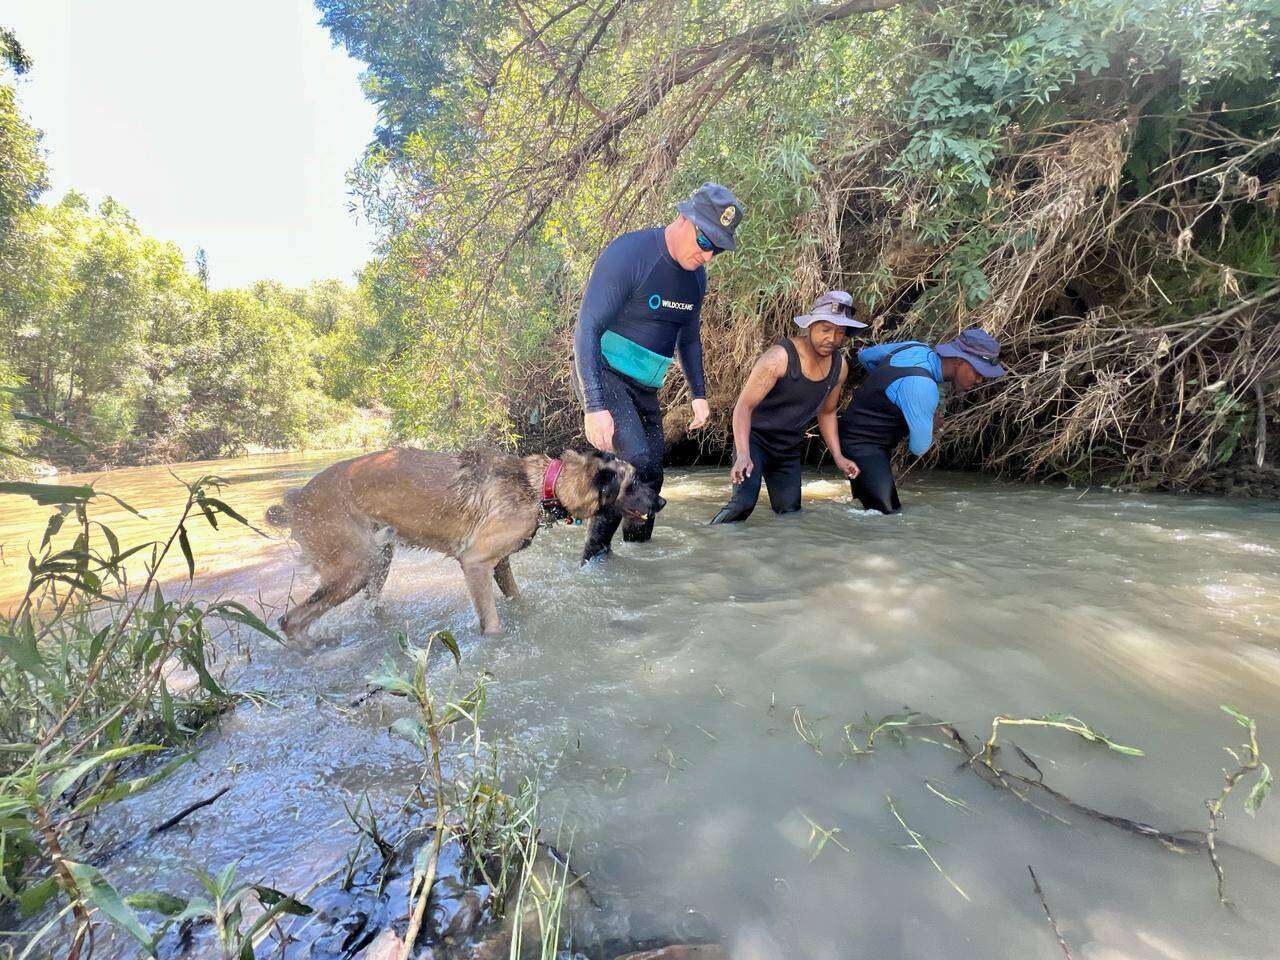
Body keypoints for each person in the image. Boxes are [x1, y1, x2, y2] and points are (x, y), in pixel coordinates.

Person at [573, 182, 743, 561]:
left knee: (654, 476)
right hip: (604, 374)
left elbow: (690, 338)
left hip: (645, 387)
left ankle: (640, 560)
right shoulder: (631, 253)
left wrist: (698, 393)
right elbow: (586, 327)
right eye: (705, 241)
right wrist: (594, 404)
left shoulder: (696, 277)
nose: (709, 255)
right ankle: (595, 560)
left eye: (717, 248)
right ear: (683, 218)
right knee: (635, 464)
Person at [709, 291, 867, 523]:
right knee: (742, 505)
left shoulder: (839, 366)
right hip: (756, 440)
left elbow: (827, 411)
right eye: (825, 329)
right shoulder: (779, 358)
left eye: (840, 332)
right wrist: (743, 454)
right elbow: (744, 406)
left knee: (790, 514)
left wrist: (838, 455)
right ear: (810, 326)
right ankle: (712, 542)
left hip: (788, 447)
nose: (832, 338)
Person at [826, 327, 1006, 514]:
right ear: (959, 361)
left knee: (872, 508)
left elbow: (867, 357)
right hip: (863, 445)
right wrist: (930, 424)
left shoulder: (916, 348)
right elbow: (918, 447)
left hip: (858, 432)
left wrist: (887, 391)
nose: (979, 380)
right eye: (978, 371)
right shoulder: (923, 387)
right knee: (886, 516)